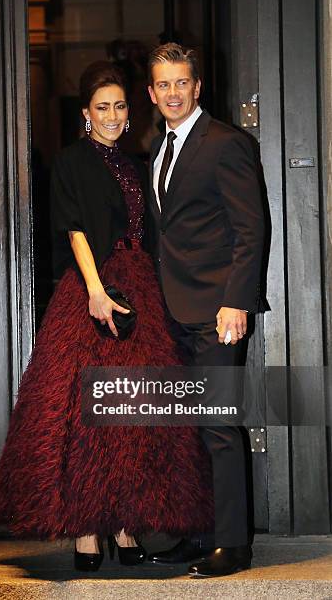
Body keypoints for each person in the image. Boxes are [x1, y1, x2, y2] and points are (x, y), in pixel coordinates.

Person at [0, 61, 213, 573]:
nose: (111, 116)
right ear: (85, 114)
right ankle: (88, 531)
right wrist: (93, 290)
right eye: (101, 108)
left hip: (141, 292)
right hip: (92, 287)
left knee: (133, 415)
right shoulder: (70, 162)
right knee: (85, 416)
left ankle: (128, 525)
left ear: (130, 114)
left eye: (119, 107)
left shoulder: (138, 163)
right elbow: (74, 229)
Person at [146, 44, 265, 577]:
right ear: (152, 93)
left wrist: (236, 301)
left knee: (218, 426)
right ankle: (198, 534)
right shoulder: (157, 147)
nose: (173, 93)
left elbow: (250, 229)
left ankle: (234, 545)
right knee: (189, 429)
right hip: (175, 310)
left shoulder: (227, 143)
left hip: (218, 310)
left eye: (181, 83)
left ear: (198, 88)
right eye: (162, 85)